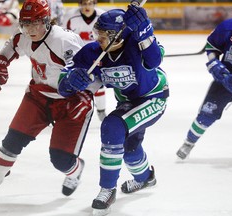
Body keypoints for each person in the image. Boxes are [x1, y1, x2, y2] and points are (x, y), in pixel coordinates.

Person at [0, 0, 93, 200]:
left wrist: (76, 78)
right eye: (26, 24)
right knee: (11, 141)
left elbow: (85, 71)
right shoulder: (22, 37)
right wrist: (0, 64)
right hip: (38, 97)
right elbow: (8, 50)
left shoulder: (64, 40)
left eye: (36, 23)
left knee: (61, 160)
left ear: (47, 20)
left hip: (71, 101)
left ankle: (76, 170)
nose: (31, 29)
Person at [58, 6, 169, 215]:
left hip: (153, 98)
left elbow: (155, 59)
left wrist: (145, 29)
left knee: (112, 127)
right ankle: (146, 178)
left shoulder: (138, 45)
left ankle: (107, 189)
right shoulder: (94, 52)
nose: (98, 39)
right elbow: (65, 78)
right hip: (128, 102)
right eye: (97, 33)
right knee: (130, 149)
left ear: (119, 36)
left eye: (104, 35)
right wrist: (70, 81)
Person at [176, 17, 232, 160]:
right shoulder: (228, 27)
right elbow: (212, 47)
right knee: (207, 113)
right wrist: (216, 66)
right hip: (226, 78)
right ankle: (189, 142)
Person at [64, 0, 107, 121]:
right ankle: (70, 111)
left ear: (94, 4)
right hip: (79, 57)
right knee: (74, 84)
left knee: (99, 84)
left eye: (90, 3)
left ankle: (101, 111)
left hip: (98, 56)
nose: (87, 7)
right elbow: (64, 37)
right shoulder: (70, 17)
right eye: (84, 4)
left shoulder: (102, 17)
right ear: (79, 4)